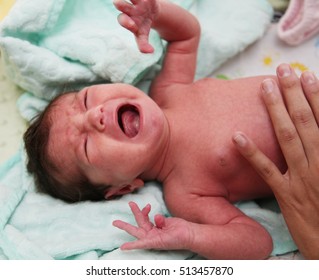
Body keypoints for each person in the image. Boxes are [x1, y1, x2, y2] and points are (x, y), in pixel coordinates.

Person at [22, 0, 318, 259]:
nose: (93, 117)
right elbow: (257, 242)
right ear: (123, 187)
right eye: (85, 145)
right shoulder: (185, 193)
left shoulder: (169, 91)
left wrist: (156, 14)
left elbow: (186, 35)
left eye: (85, 99)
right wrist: (191, 236)